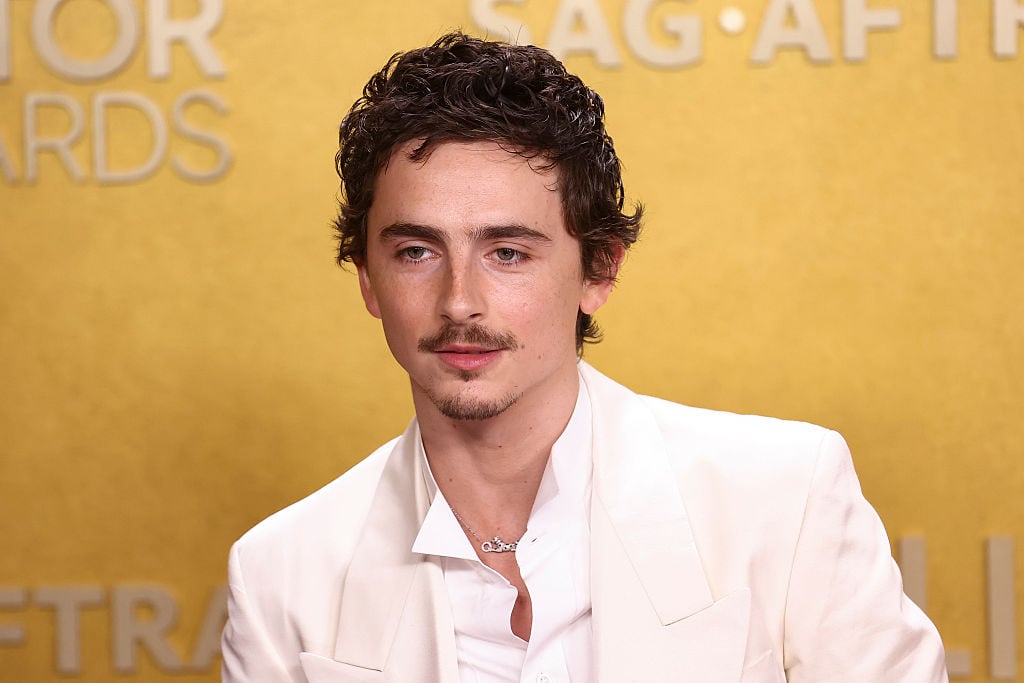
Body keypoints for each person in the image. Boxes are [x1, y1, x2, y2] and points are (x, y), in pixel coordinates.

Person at [221, 32, 947, 682]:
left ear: (598, 270)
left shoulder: (784, 499)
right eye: (416, 250)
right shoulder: (281, 575)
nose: (459, 302)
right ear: (369, 281)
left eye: (507, 252)